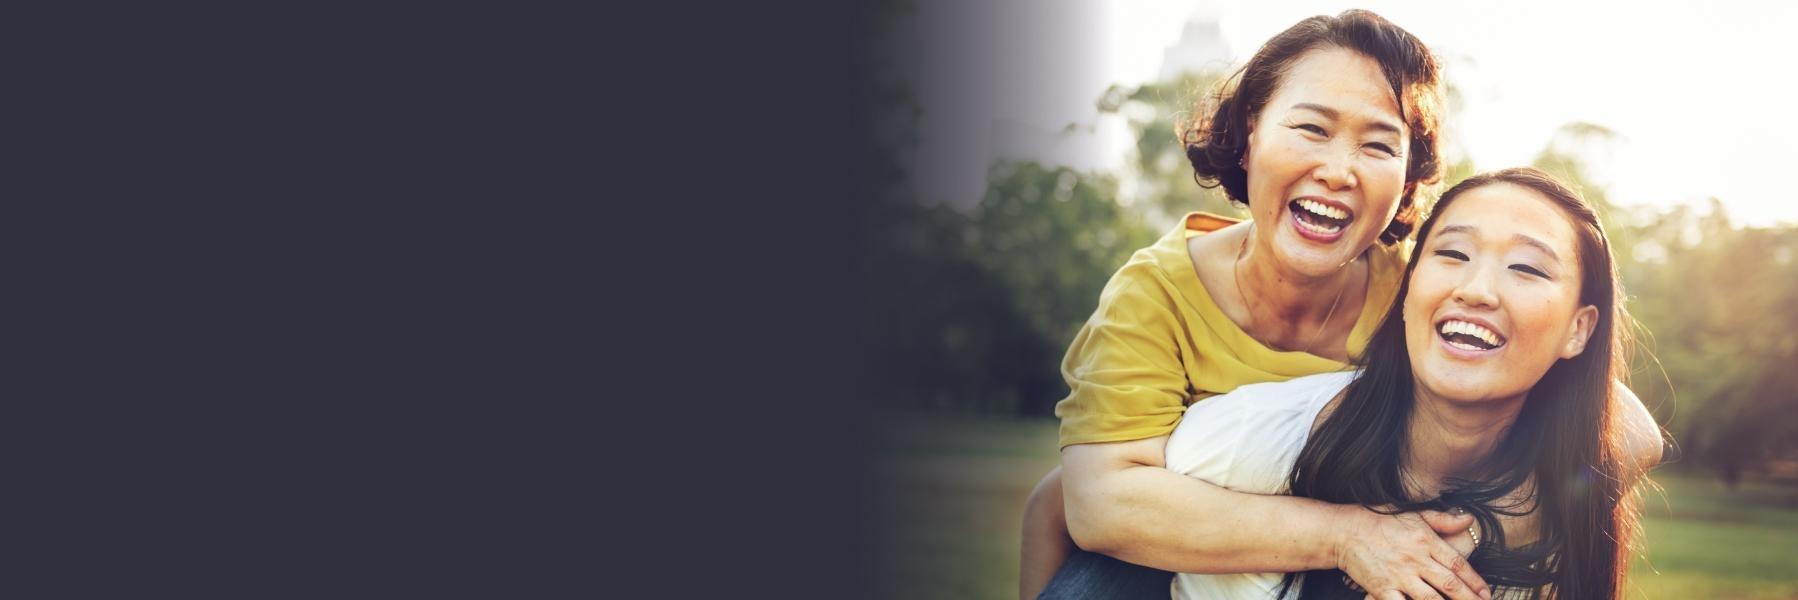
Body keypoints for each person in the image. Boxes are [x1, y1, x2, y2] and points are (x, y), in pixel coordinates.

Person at [1018, 10, 1662, 599]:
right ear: (1251, 134)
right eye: (1311, 128)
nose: (1338, 169)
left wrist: (1476, 531)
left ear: (1407, 179)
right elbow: (1095, 505)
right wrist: (1349, 537)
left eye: (1379, 145)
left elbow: (1626, 427)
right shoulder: (1156, 293)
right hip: (1162, 554)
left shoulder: (1422, 297)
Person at [1162, 167, 1652, 599]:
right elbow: (1118, 514)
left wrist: (1483, 531)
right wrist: (1342, 538)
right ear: (1408, 288)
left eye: (1526, 267)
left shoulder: (1562, 506)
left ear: (1579, 330)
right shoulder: (1255, 438)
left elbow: (1637, 434)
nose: (1476, 290)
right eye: (1453, 253)